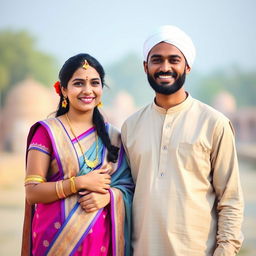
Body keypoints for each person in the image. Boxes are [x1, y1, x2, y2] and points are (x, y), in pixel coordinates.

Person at [121, 25, 244, 256]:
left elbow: (230, 199)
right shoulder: (131, 126)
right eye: (156, 60)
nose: (165, 67)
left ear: (187, 65)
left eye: (173, 60)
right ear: (146, 67)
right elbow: (124, 191)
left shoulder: (214, 123)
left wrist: (225, 250)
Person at [21, 53, 134, 256]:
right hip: (54, 244)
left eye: (94, 83)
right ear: (63, 90)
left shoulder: (115, 137)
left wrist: (109, 197)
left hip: (100, 245)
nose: (87, 90)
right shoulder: (48, 132)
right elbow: (32, 193)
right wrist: (79, 183)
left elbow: (128, 187)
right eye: (79, 83)